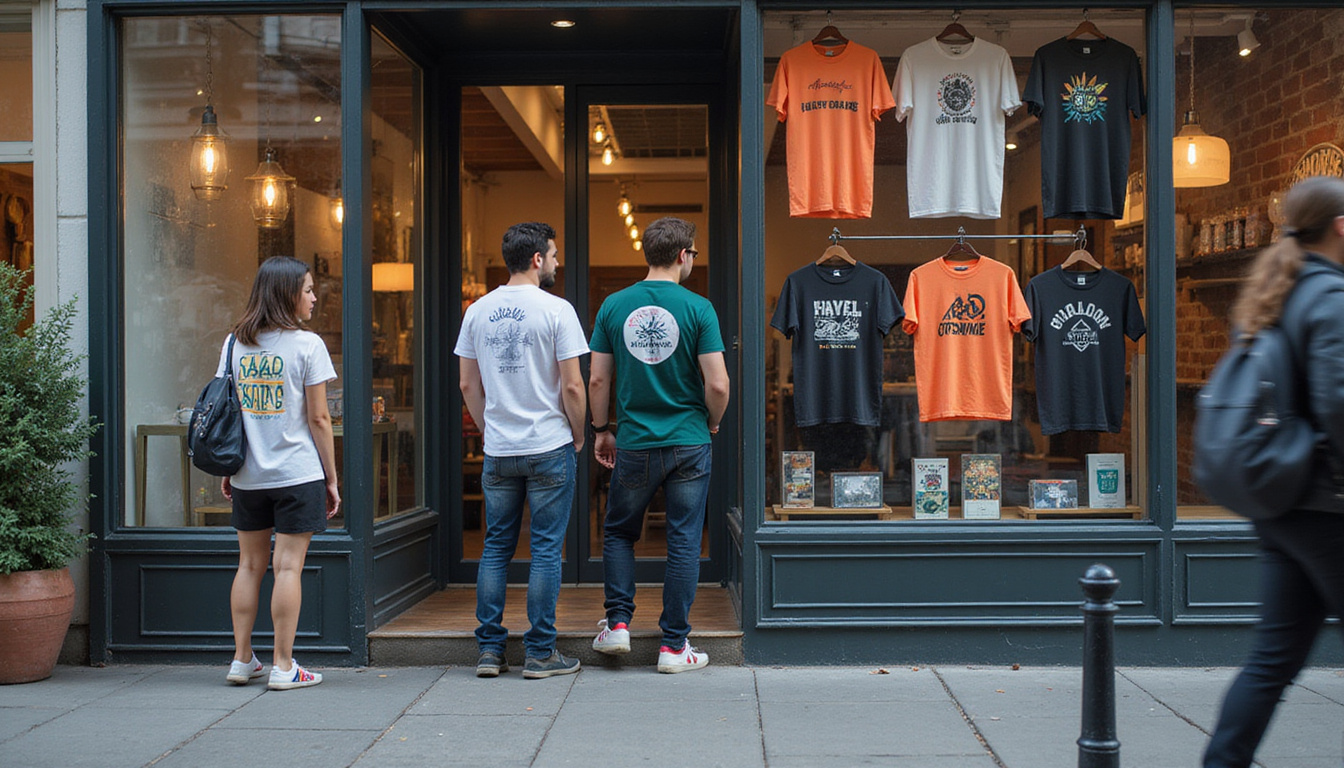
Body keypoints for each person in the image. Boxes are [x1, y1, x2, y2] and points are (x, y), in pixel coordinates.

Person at [1203, 176, 1344, 767]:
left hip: (1281, 504)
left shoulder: (1273, 291)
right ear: (1340, 226)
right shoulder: (1331, 296)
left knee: (1272, 660)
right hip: (1326, 503)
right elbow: (1338, 401)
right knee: (1273, 659)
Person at [588, 216, 730, 673]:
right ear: (684, 255)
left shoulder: (613, 305)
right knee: (685, 540)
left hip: (635, 442)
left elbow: (596, 378)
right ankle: (673, 647)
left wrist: (601, 429)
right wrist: (711, 423)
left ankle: (618, 625)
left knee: (618, 532)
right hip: (689, 440)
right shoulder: (699, 308)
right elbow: (719, 385)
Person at [456, 222, 589, 680]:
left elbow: (467, 384)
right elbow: (572, 384)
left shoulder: (477, 311)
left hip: (499, 447)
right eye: (552, 255)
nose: (555, 263)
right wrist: (579, 433)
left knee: (495, 547)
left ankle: (490, 652)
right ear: (536, 259)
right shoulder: (557, 310)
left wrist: (490, 422)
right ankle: (540, 653)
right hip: (549, 443)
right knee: (546, 550)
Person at [221, 255, 339, 691]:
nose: (313, 297)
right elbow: (320, 419)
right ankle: (284, 666)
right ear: (288, 294)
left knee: (249, 566)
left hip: (249, 474)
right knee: (287, 568)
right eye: (307, 290)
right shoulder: (307, 345)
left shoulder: (234, 343)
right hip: (296, 472)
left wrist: (231, 467)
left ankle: (240, 660)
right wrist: (331, 477)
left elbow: (228, 410)